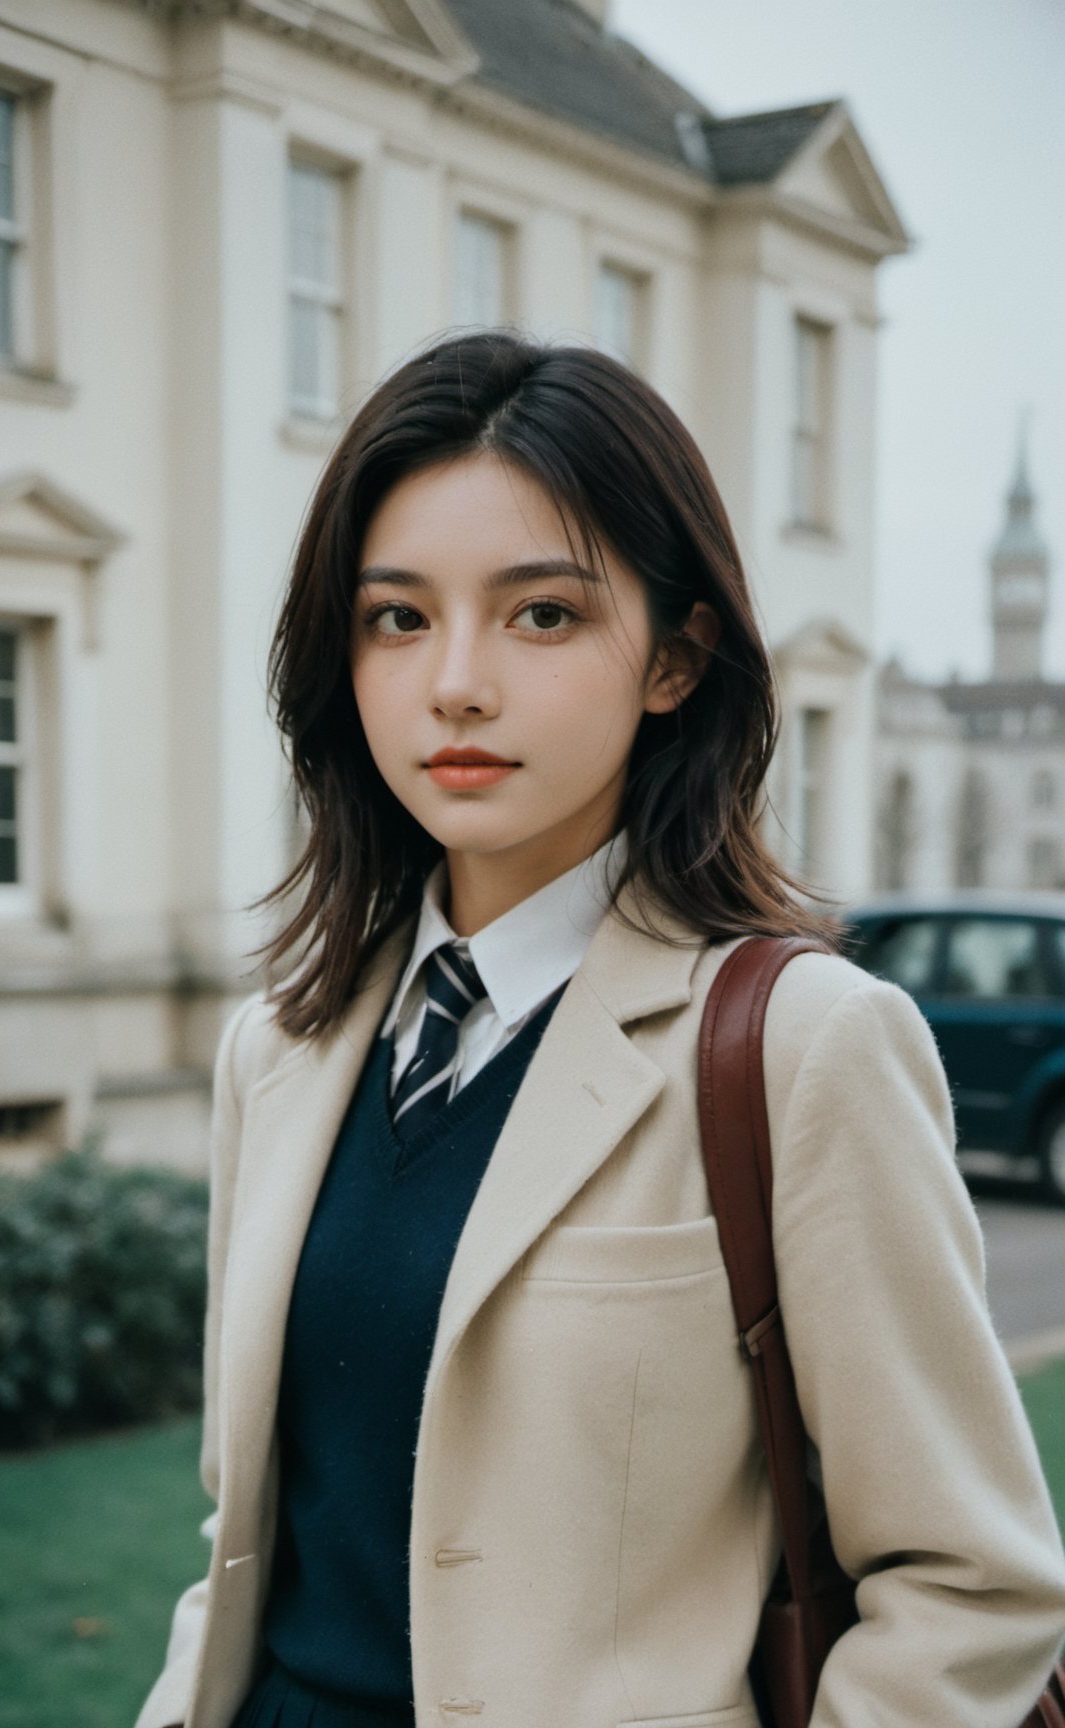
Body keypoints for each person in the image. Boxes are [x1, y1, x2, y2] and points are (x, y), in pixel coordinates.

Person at [135, 332, 1065, 1728]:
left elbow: (971, 1587)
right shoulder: (278, 1050)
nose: (455, 681)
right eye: (398, 617)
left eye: (543, 615)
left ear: (677, 661)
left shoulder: (803, 1048)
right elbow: (247, 1542)